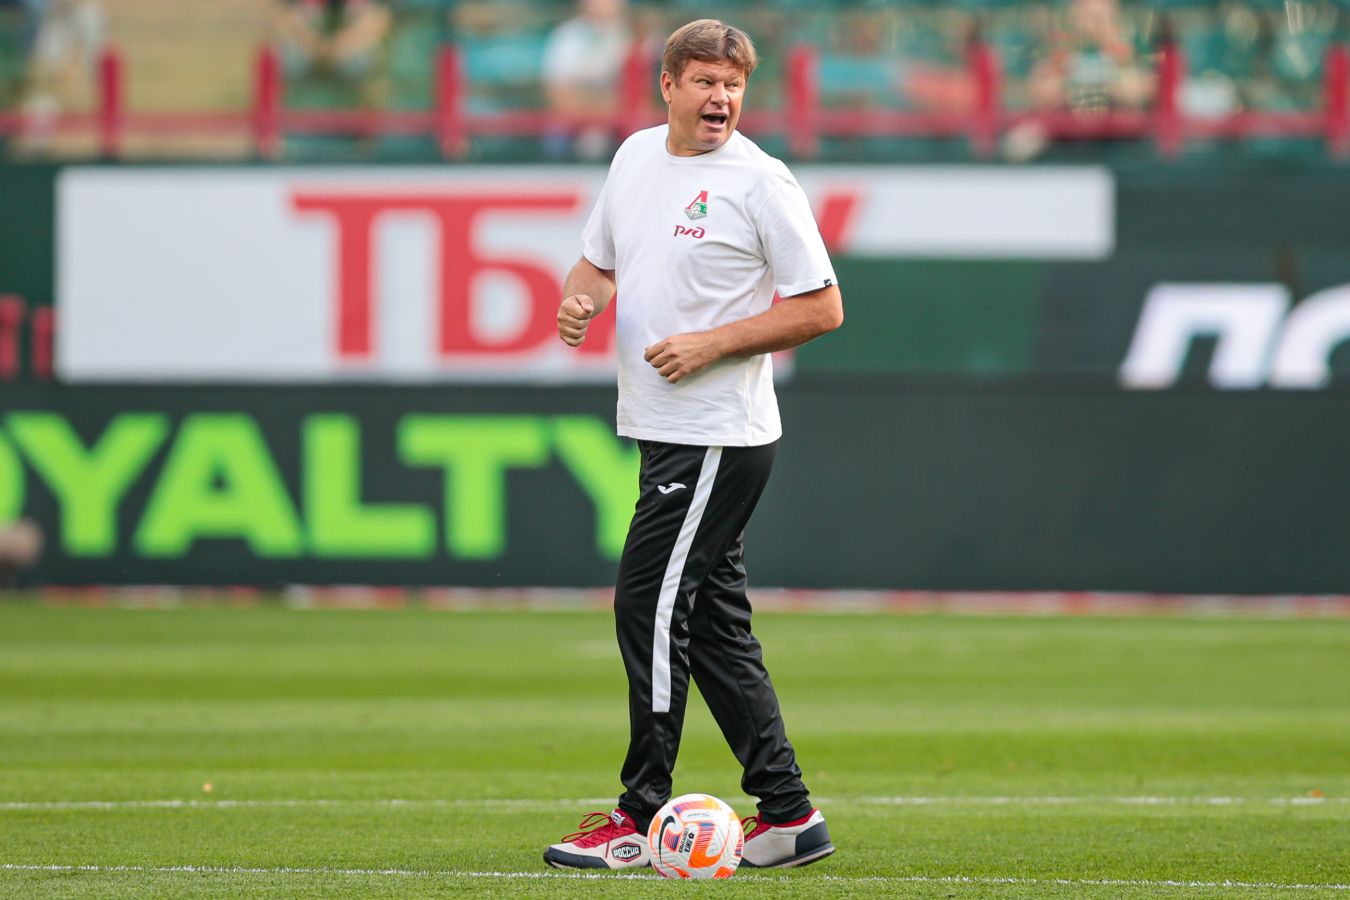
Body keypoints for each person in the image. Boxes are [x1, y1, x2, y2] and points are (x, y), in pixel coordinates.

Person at [544, 18, 843, 872]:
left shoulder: (761, 181)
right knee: (713, 627)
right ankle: (788, 815)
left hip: (716, 435)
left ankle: (638, 815)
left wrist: (713, 343)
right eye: (706, 82)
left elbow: (822, 307)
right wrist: (580, 298)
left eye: (734, 85)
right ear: (668, 85)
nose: (722, 98)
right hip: (660, 427)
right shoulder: (636, 156)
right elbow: (598, 263)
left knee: (647, 605)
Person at [540, 0, 631, 160]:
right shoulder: (567, 36)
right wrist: (595, 107)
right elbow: (557, 93)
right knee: (555, 139)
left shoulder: (631, 36)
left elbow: (638, 93)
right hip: (574, 116)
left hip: (618, 117)